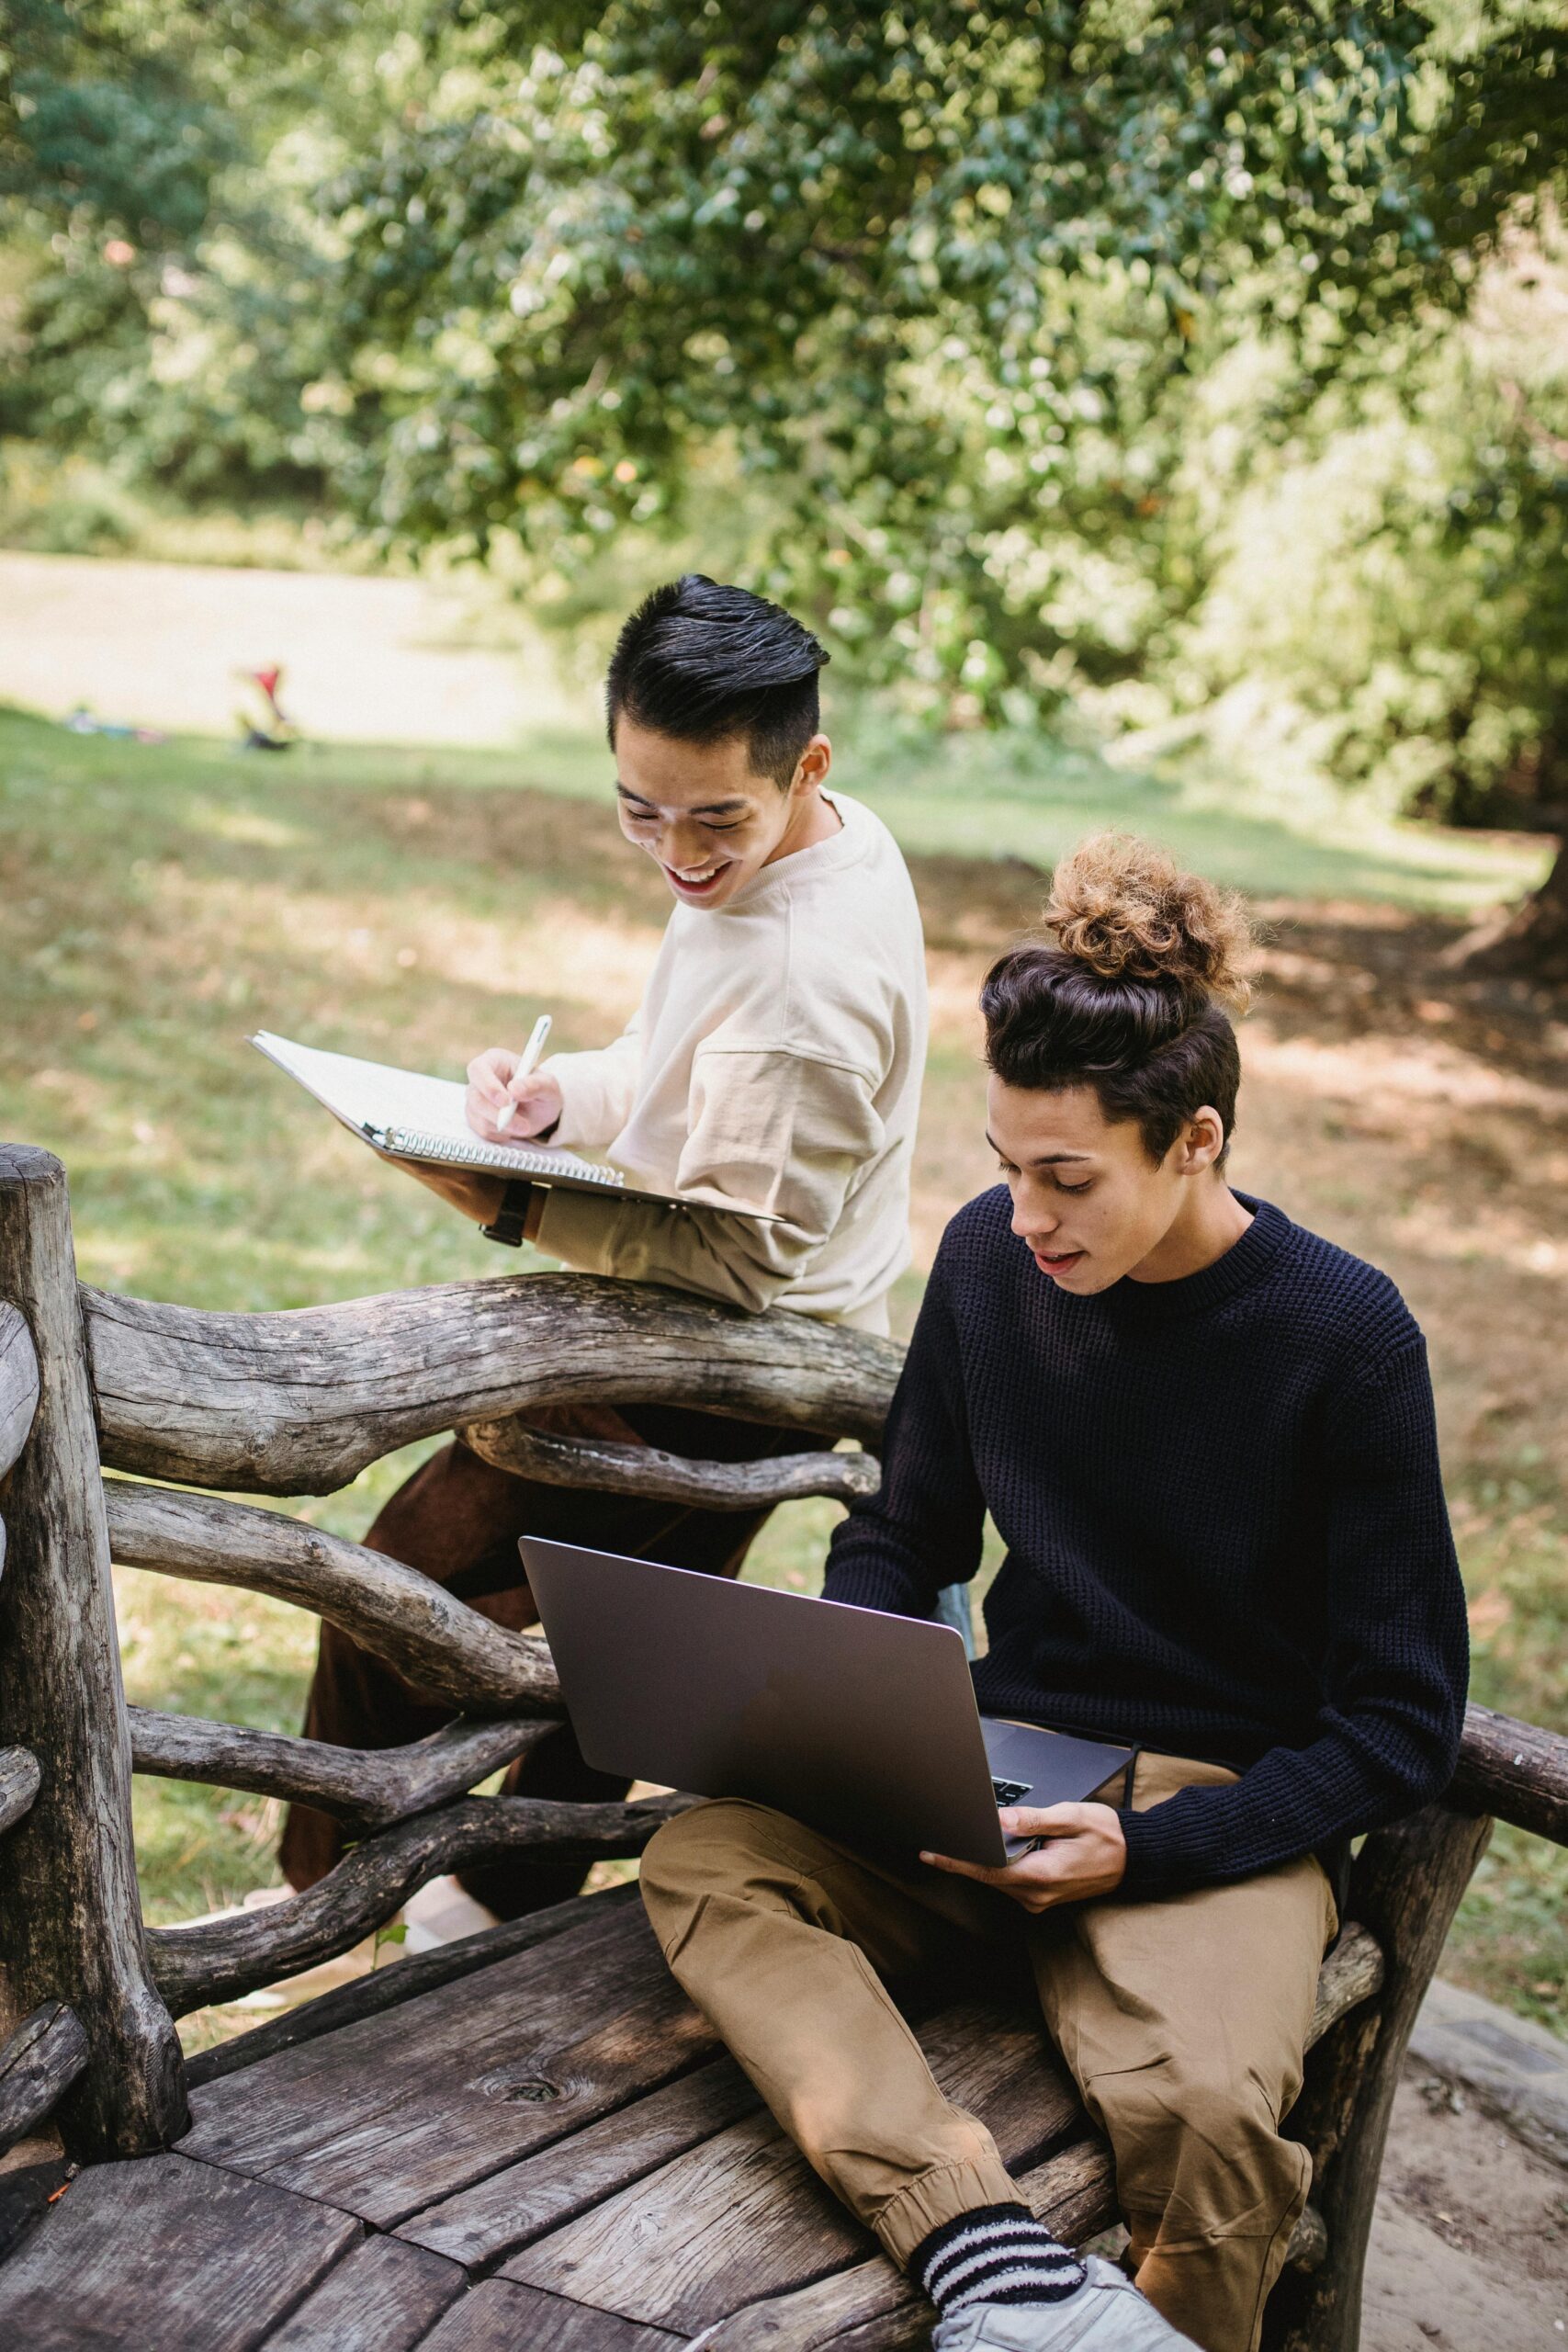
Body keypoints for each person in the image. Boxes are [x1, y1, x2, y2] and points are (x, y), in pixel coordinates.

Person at [641, 834, 1469, 2352]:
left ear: (1197, 1139)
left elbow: (1402, 1724)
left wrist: (1145, 1850)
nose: (1028, 1215)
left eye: (1069, 1178)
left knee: (1210, 2118)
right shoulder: (985, 1263)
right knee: (704, 1859)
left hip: (1213, 1813)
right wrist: (857, 1701)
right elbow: (910, 1536)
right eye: (1006, 1167)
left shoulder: (1346, 1339)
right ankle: (978, 2250)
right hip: (987, 1774)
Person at [279, 575, 930, 1914]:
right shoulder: (815, 838)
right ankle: (482, 1912)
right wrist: (560, 1101)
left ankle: (324, 1894)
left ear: (805, 765)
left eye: (710, 818)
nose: (678, 852)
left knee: (397, 1593)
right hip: (750, 1326)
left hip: (733, 1360)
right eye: (640, 808)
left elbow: (741, 1262)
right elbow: (676, 1064)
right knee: (620, 1648)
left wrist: (515, 1200)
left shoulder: (803, 985)